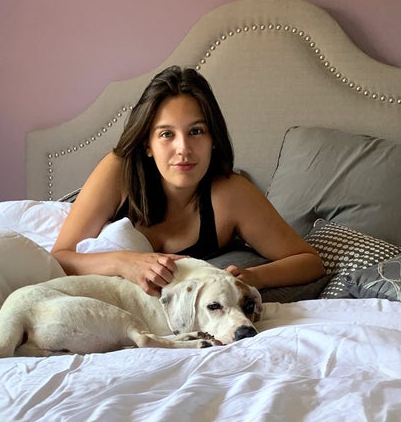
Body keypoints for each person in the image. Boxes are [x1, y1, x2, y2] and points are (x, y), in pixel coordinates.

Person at [51, 66, 324, 296]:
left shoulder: (231, 195)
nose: (184, 148)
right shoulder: (117, 171)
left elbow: (310, 263)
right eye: (167, 134)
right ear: (147, 143)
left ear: (213, 139)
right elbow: (61, 256)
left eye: (196, 131)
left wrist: (253, 277)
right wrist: (125, 263)